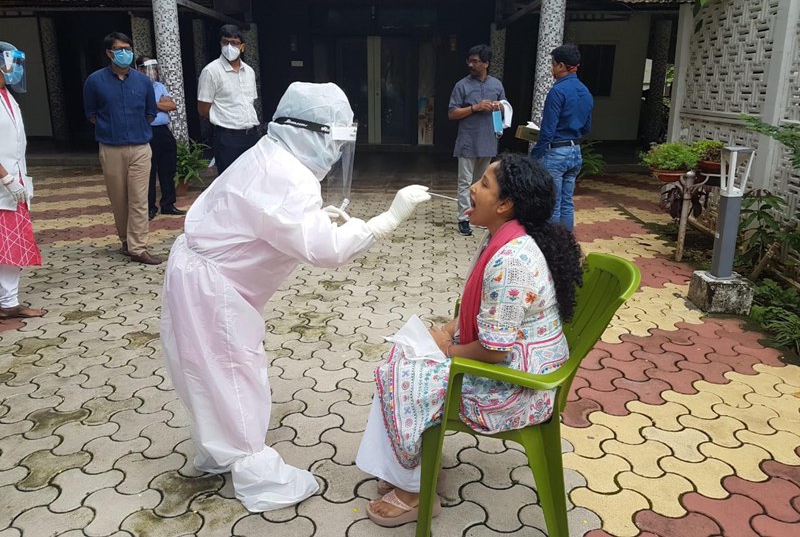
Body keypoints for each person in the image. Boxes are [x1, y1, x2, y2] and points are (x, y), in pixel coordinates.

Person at [160, 82, 430, 513]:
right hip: (211, 286)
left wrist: (314, 218)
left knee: (207, 370)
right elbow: (326, 251)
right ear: (308, 131)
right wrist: (385, 221)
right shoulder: (287, 176)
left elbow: (270, 219)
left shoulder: (272, 154)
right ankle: (257, 475)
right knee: (233, 372)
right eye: (333, 140)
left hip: (199, 272)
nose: (335, 152)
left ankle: (217, 449)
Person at [356, 153, 584, 528]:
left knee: (401, 376)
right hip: (514, 363)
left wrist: (446, 349)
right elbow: (485, 316)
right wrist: (447, 332)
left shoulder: (512, 261)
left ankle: (415, 492)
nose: (472, 188)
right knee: (402, 355)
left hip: (518, 387)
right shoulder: (504, 238)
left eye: (484, 184)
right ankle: (415, 469)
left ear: (505, 205)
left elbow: (493, 351)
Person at [83, 32, 160, 265]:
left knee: (139, 198)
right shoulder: (95, 81)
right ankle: (126, 240)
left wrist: (135, 128)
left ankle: (138, 247)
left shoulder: (142, 81)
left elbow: (150, 113)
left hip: (140, 147)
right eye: (120, 50)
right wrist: (112, 128)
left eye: (128, 49)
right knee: (118, 199)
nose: (125, 53)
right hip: (111, 148)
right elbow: (91, 114)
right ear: (109, 53)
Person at [0, 41, 44, 320]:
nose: (15, 69)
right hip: (4, 184)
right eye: (11, 63)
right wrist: (6, 179)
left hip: (13, 184)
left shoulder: (8, 96)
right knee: (7, 245)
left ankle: (8, 301)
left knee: (10, 245)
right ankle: (8, 303)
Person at [529, 44, 593, 233]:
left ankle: (553, 244)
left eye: (553, 64)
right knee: (567, 202)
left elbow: (548, 131)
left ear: (562, 66)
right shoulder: (585, 91)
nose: (552, 68)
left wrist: (534, 156)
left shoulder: (557, 91)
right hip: (575, 152)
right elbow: (587, 127)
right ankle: (566, 243)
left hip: (556, 151)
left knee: (553, 203)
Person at [448, 44, 507, 237]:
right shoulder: (462, 85)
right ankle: (463, 219)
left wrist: (499, 107)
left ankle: (479, 215)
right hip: (467, 141)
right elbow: (452, 113)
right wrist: (475, 108)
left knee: (483, 182)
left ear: (486, 63)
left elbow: (504, 108)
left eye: (476, 61)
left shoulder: (496, 85)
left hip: (488, 140)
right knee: (465, 182)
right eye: (469, 61)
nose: (471, 65)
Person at [197, 24, 260, 175]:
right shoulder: (211, 71)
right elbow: (203, 109)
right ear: (220, 44)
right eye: (225, 42)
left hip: (251, 135)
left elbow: (250, 102)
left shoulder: (249, 71)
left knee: (253, 180)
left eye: (234, 43)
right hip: (227, 138)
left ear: (242, 46)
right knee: (230, 181)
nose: (229, 47)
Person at [135, 56, 185, 220]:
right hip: (147, 130)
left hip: (163, 130)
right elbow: (140, 108)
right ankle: (150, 207)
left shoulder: (159, 86)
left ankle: (168, 204)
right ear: (140, 69)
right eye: (149, 68)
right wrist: (159, 104)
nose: (153, 72)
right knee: (149, 171)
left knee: (168, 168)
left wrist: (153, 104)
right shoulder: (136, 86)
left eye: (155, 68)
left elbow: (171, 105)